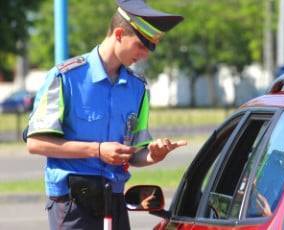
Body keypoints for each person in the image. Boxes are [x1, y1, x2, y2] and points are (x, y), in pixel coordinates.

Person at [25, 0, 185, 229]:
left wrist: (153, 155)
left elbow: (134, 154)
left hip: (116, 201)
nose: (145, 55)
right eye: (141, 45)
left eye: (151, 48)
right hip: (72, 205)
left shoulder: (138, 88)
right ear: (119, 34)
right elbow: (36, 143)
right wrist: (98, 150)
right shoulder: (65, 78)